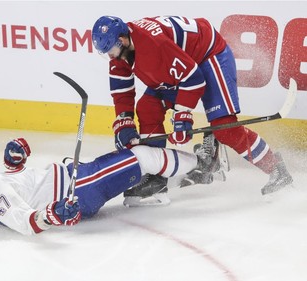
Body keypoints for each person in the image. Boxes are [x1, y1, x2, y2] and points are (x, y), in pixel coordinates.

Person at [91, 15, 293, 203]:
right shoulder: (123, 52)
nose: (110, 55)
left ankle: (276, 168)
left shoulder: (153, 46)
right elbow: (121, 89)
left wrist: (182, 117)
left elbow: (193, 78)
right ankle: (156, 178)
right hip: (182, 63)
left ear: (123, 40)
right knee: (147, 107)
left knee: (224, 128)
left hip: (208, 56)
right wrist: (124, 120)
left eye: (111, 49)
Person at [0, 137, 198, 235]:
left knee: (131, 160)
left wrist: (13, 163)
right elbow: (26, 222)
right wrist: (52, 215)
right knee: (141, 156)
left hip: (76, 187)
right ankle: (203, 165)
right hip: (80, 187)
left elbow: (20, 190)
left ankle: (146, 185)